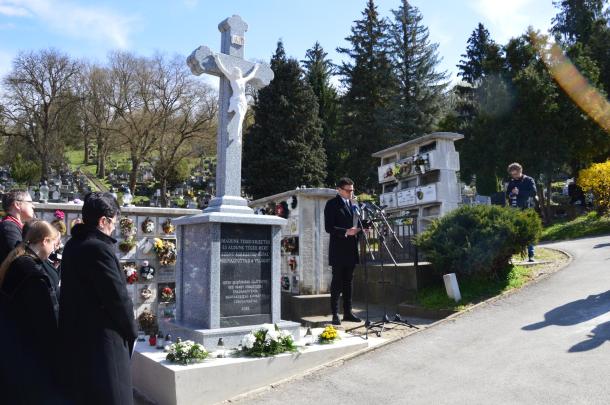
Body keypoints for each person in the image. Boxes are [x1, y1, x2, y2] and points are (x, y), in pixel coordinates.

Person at [59, 192, 137, 405]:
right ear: (103, 221)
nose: (114, 227)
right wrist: (132, 332)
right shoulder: (99, 248)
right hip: (103, 344)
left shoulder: (73, 244)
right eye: (114, 222)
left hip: (79, 341)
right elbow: (117, 298)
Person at [0, 220, 64, 404]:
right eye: (53, 243)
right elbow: (46, 315)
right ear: (44, 241)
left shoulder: (18, 260)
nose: (54, 249)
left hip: (15, 343)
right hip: (29, 350)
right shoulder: (31, 270)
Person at [324, 177, 362, 325]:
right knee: (337, 282)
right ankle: (335, 314)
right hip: (338, 250)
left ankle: (348, 312)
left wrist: (364, 226)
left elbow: (357, 222)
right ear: (339, 190)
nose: (351, 193)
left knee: (348, 283)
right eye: (348, 190)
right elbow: (329, 227)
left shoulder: (354, 204)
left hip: (351, 249)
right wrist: (346, 231)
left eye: (352, 190)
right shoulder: (332, 204)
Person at [506, 162, 537, 261]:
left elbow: (533, 192)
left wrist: (519, 193)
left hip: (526, 209)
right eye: (512, 174)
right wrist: (511, 193)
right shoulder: (512, 182)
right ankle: (511, 257)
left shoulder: (528, 180)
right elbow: (508, 195)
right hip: (514, 210)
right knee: (513, 233)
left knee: (529, 232)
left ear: (520, 171)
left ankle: (531, 255)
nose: (514, 176)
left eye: (515, 174)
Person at [0, 190, 36, 263]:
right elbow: (19, 258)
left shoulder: (12, 225)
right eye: (30, 202)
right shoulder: (9, 227)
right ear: (17, 204)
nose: (33, 206)